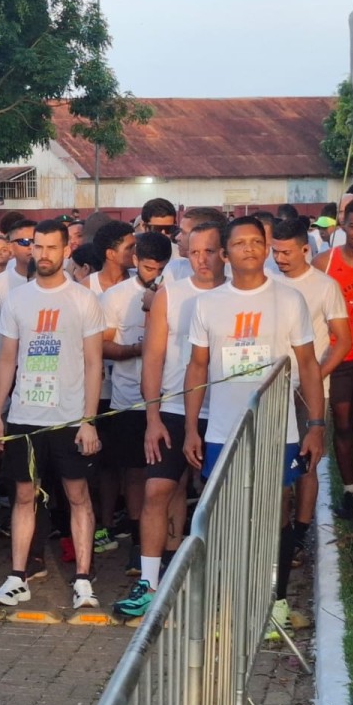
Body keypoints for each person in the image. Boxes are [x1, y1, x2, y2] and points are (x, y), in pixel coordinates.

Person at [183, 216, 326, 633]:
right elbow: (197, 367)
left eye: (255, 242)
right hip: (222, 431)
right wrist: (192, 428)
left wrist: (315, 424)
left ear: (266, 248)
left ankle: (274, 602)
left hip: (276, 431)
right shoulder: (207, 304)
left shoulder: (289, 299)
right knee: (225, 518)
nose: (249, 249)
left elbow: (309, 365)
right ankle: (226, 603)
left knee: (274, 515)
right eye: (239, 243)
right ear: (225, 254)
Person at [0, 219, 105, 611]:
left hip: (70, 416)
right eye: (36, 246)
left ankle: (84, 580)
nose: (42, 254)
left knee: (77, 495)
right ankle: (18, 576)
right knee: (24, 495)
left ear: (65, 251)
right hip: (24, 415)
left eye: (51, 248)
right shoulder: (17, 300)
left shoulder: (83, 299)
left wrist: (89, 419)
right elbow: (7, 360)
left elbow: (94, 363)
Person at [114, 222, 227, 617]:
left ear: (223, 252)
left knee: (221, 500)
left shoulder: (236, 295)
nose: (202, 260)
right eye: (194, 252)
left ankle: (219, 583)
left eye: (210, 251)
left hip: (225, 410)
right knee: (157, 491)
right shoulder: (170, 295)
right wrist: (153, 416)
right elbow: (154, 358)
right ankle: (149, 580)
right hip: (175, 410)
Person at [269, 218, 350, 561]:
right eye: (275, 251)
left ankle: (300, 533)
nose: (280, 258)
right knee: (275, 463)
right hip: (273, 387)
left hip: (311, 390)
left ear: (305, 249)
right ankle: (278, 530)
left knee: (307, 463)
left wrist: (315, 376)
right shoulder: (267, 282)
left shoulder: (325, 286)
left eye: (286, 252)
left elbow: (343, 340)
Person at [98, 232, 172, 577]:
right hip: (128, 398)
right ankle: (136, 541)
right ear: (135, 260)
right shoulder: (114, 296)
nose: (152, 274)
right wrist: (139, 350)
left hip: (169, 397)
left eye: (159, 269)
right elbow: (103, 345)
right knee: (134, 472)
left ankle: (160, 545)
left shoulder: (176, 291)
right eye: (146, 267)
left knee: (163, 477)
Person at [313, 197, 353, 520]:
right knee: (343, 423)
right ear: (343, 225)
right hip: (337, 355)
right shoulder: (324, 262)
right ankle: (350, 491)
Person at [0, 219, 36, 301]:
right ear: (10, 247)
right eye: (24, 241)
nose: (31, 246)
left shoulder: (58, 281)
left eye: (35, 241)